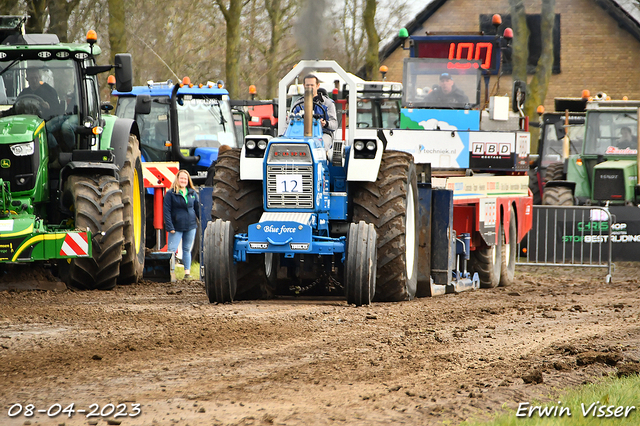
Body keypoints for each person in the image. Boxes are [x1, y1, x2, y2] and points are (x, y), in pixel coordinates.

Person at [163, 170, 200, 279]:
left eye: (185, 179)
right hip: (176, 227)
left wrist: (202, 222)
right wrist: (170, 227)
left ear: (188, 180)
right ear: (177, 179)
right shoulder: (171, 193)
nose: (183, 180)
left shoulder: (192, 193)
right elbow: (167, 211)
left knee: (187, 249)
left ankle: (187, 273)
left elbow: (197, 209)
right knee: (172, 250)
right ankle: (171, 273)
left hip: (191, 226)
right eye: (181, 178)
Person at [290, 74, 338, 148]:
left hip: (323, 133)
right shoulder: (298, 104)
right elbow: (289, 122)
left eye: (312, 85)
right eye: (307, 85)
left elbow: (334, 124)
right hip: (300, 133)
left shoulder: (328, 103)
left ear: (317, 86)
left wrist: (326, 123)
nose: (310, 87)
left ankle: (323, 156)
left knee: (320, 144)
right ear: (304, 86)